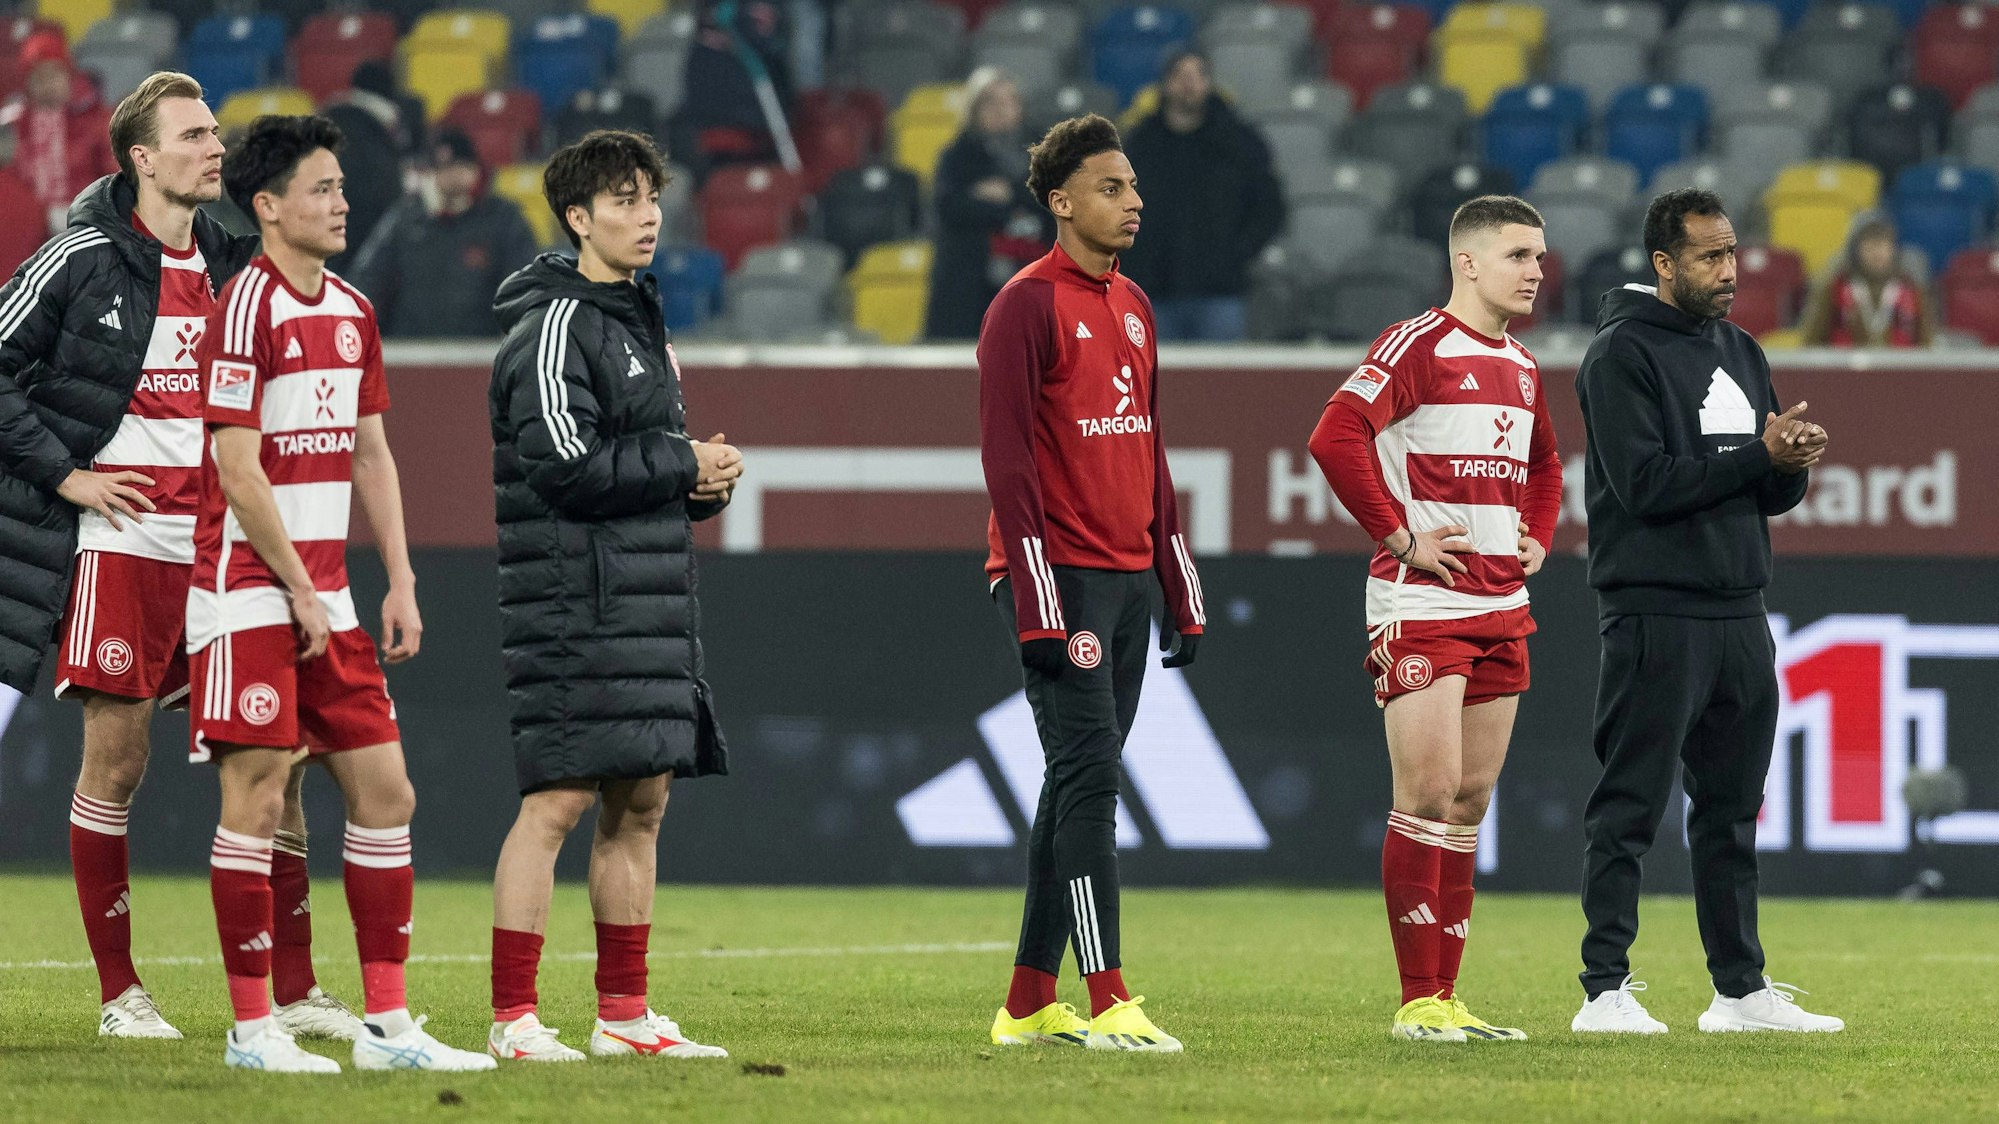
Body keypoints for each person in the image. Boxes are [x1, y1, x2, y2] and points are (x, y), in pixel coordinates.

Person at [0, 71, 362, 1042]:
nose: (215, 146)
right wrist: (66, 477)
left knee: (275, 764)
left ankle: (295, 989)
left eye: (217, 132)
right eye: (194, 135)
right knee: (117, 761)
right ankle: (122, 994)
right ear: (142, 158)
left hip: (223, 551)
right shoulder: (78, 259)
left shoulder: (246, 271)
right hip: (123, 543)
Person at [189, 113, 494, 1074]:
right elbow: (239, 473)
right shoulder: (244, 307)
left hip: (332, 594)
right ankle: (252, 1032)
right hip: (247, 589)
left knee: (386, 792)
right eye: (321, 188)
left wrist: (396, 577)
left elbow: (370, 451)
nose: (342, 202)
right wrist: (295, 589)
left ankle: (389, 1029)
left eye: (342, 186)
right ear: (269, 206)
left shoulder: (355, 309)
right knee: (259, 791)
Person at [485, 129, 737, 1064]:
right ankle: (513, 1019)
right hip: (572, 606)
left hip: (646, 602)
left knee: (643, 804)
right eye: (624, 202)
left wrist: (696, 486)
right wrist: (682, 460)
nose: (647, 217)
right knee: (555, 804)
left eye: (652, 200)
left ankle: (623, 1013)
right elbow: (564, 465)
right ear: (577, 218)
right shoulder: (554, 325)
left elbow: (631, 473)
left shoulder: (638, 323)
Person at [1572, 188, 1842, 1035]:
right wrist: (1753, 456)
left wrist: (1787, 465)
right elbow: (1643, 487)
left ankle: (1738, 990)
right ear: (1663, 264)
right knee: (1630, 807)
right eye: (1708, 257)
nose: (1729, 272)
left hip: (1738, 611)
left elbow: (1761, 491)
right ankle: (1603, 988)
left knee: (1730, 812)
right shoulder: (1618, 356)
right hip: (1655, 611)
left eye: (1731, 254)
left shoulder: (1740, 348)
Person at [1305, 196, 1562, 1044]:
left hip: (1501, 604)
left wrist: (1537, 534)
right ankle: (1416, 1001)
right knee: (1425, 793)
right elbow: (1335, 434)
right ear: (1469, 262)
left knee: (1470, 801)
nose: (1535, 270)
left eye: (1538, 256)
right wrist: (1397, 533)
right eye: (1519, 255)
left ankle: (1446, 997)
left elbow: (1546, 463)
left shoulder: (1522, 366)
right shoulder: (1416, 344)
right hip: (1422, 605)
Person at [980, 113, 1206, 1054]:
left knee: (1071, 784)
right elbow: (1007, 464)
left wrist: (1178, 580)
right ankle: (1109, 995)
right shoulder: (1026, 305)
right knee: (1091, 783)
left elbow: (1150, 451)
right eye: (1111, 188)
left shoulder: (1137, 305)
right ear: (1061, 202)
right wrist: (1035, 597)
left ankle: (1029, 1001)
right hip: (1058, 579)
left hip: (1126, 578)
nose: (1133, 201)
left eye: (1134, 187)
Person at [1114, 50, 1283, 342]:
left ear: (1209, 83)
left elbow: (1270, 207)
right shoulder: (1140, 143)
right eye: (1180, 76)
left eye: (1197, 76)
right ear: (1165, 85)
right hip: (1154, 292)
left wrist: (1236, 255)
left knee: (1220, 384)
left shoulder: (1240, 141)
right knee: (1154, 385)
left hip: (1220, 293)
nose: (1189, 85)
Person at [350, 127, 539, 337]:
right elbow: (367, 280)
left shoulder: (503, 219)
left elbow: (525, 285)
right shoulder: (405, 219)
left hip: (479, 353)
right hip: (411, 351)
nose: (453, 175)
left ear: (476, 170)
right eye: (444, 168)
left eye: (461, 166)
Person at [924, 67, 1050, 341]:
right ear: (974, 108)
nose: (999, 109)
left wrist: (1009, 193)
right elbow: (950, 209)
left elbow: (1052, 206)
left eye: (1008, 101)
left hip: (1027, 284)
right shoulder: (957, 156)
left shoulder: (1043, 155)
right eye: (990, 101)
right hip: (964, 288)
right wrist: (1009, 209)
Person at [1, 30, 116, 235]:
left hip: (86, 221)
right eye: (39, 77)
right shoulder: (12, 125)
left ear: (69, 75)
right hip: (26, 227)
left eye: (54, 74)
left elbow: (115, 179)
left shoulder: (97, 120)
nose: (48, 84)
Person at [1798, 215, 1934, 348]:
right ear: (1855, 250)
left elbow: (1927, 345)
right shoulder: (1833, 287)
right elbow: (1810, 343)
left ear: (1894, 249)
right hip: (1844, 368)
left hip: (1901, 368)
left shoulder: (1911, 289)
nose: (1877, 252)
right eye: (1869, 244)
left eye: (1883, 243)